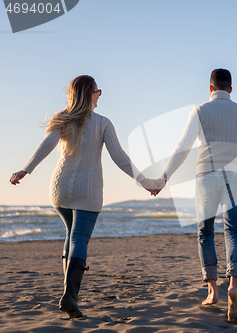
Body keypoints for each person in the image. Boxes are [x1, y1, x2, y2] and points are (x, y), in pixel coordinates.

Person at [9, 75, 160, 318]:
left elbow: (46, 144)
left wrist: (26, 169)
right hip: (87, 190)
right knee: (79, 237)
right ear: (88, 94)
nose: (100, 95)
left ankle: (68, 292)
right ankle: (70, 295)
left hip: (59, 189)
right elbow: (119, 157)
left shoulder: (63, 119)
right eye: (97, 91)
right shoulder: (102, 123)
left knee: (70, 234)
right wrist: (144, 182)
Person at [153, 68, 237, 322]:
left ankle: (213, 291)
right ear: (231, 89)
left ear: (210, 88)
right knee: (233, 232)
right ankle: (234, 286)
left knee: (205, 232)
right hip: (236, 178)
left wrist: (164, 177)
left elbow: (182, 147)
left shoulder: (200, 111)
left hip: (206, 176)